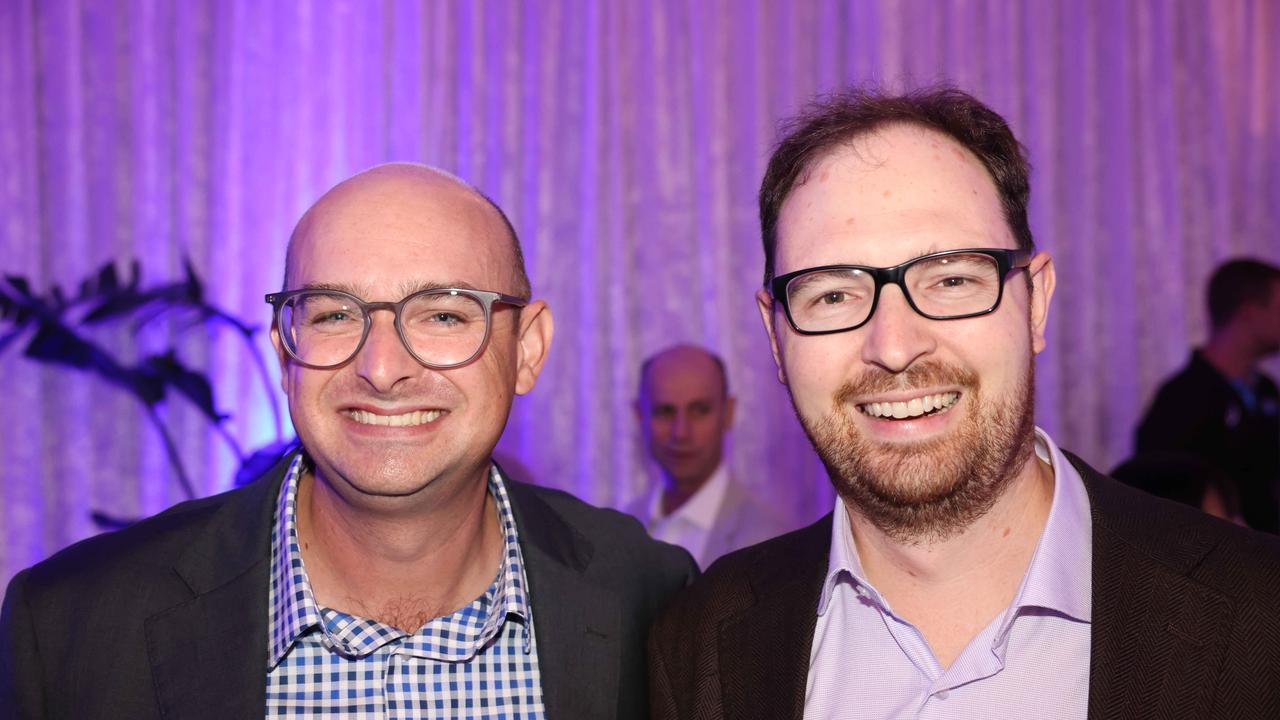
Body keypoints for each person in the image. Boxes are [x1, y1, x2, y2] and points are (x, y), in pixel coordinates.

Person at [648, 87, 1280, 719]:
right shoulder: (699, 644)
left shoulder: (1259, 614)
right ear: (775, 336)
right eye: (833, 295)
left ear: (1035, 301)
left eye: (951, 280)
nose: (894, 347)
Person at [1, 163, 696, 719]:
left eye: (444, 315)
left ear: (528, 350)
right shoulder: (70, 631)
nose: (383, 368)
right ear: (284, 352)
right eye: (335, 313)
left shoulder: (654, 598)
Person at [1135, 259, 1280, 533]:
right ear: (1249, 313)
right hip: (1219, 559)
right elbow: (1156, 496)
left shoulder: (1267, 390)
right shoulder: (1182, 399)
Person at [627, 344, 791, 568]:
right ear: (640, 416)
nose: (681, 432)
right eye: (665, 411)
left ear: (728, 412)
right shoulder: (623, 527)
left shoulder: (770, 541)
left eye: (699, 410)